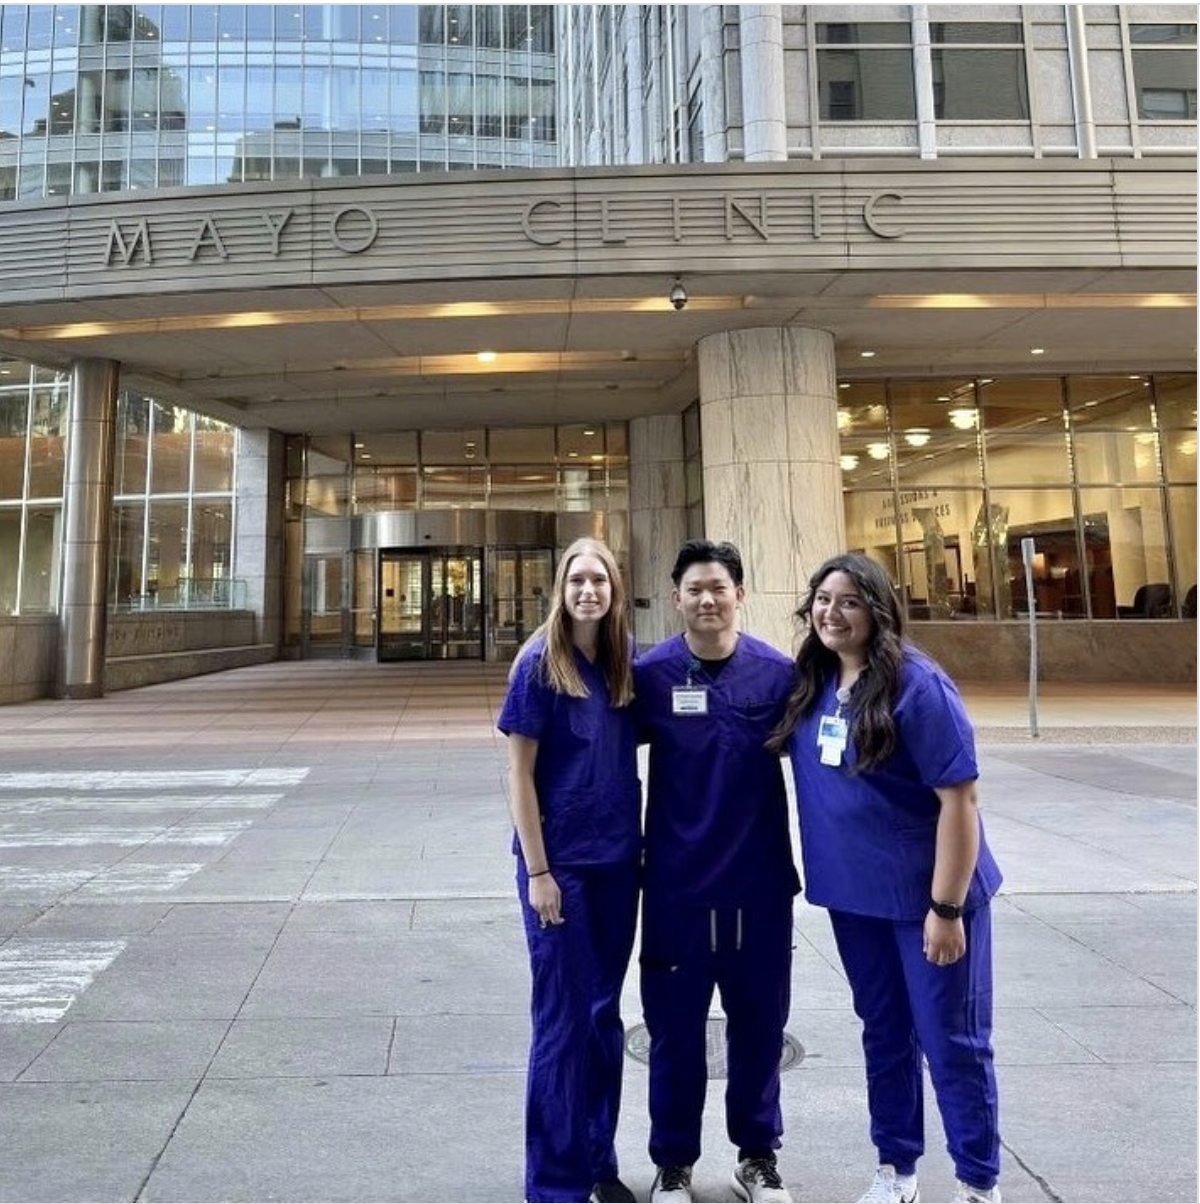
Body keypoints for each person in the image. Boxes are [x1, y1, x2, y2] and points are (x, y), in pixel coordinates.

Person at [767, 553, 1003, 1204]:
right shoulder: (810, 682)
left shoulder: (916, 685)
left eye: (847, 601)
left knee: (952, 1041)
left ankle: (978, 1183)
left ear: (877, 609)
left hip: (928, 900)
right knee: (884, 1033)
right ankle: (895, 1172)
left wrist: (947, 908)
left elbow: (961, 800)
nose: (830, 613)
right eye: (821, 599)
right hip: (855, 899)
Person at [634, 539, 798, 1204]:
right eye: (695, 588)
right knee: (675, 1033)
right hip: (677, 889)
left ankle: (756, 1157)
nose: (708, 599)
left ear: (740, 595)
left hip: (759, 888)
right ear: (677, 598)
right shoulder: (650, 676)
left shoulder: (778, 674)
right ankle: (673, 1163)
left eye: (719, 588)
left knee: (759, 1026)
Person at [497, 538, 642, 1204]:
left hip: (617, 866)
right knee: (562, 1019)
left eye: (600, 580)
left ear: (614, 589)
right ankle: (554, 1182)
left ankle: (597, 1159)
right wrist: (539, 872)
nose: (589, 590)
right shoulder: (538, 664)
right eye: (578, 579)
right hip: (561, 871)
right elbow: (519, 774)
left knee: (603, 1015)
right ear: (561, 587)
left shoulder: (619, 663)